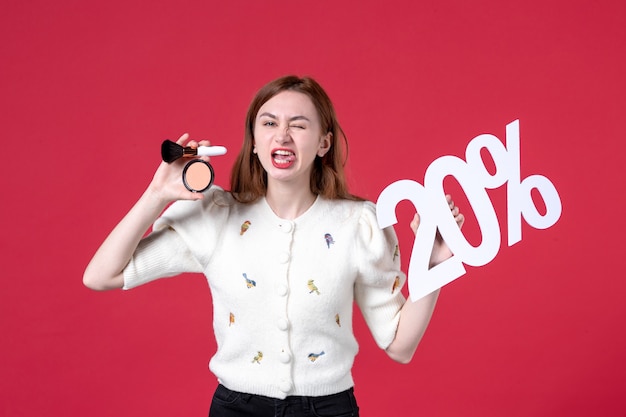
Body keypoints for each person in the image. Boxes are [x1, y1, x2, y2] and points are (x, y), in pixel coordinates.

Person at [83, 75, 464, 417]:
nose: (282, 135)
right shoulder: (216, 216)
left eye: (298, 125)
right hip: (236, 408)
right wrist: (157, 194)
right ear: (254, 143)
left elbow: (400, 346)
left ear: (323, 143)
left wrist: (432, 264)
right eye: (269, 124)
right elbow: (102, 275)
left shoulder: (358, 224)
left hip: (328, 409)